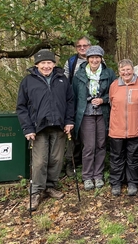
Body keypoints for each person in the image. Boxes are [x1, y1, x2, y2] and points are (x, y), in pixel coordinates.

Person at [16, 50, 75, 211]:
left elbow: (70, 101)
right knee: (40, 161)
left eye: (49, 63)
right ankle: (36, 191)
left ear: (54, 64)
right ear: (37, 65)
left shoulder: (62, 79)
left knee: (56, 160)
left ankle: (50, 186)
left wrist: (69, 121)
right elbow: (21, 107)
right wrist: (27, 128)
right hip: (38, 128)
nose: (46, 66)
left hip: (59, 126)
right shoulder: (28, 81)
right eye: (43, 63)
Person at [72, 45, 116, 191]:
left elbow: (114, 93)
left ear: (101, 59)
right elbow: (73, 96)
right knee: (89, 146)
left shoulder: (109, 73)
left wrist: (103, 100)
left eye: (97, 57)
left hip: (103, 113)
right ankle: (87, 176)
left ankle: (98, 175)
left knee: (101, 145)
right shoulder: (79, 75)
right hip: (86, 114)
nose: (95, 60)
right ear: (87, 59)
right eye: (92, 57)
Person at [109, 59, 138, 196]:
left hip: (136, 128)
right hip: (117, 129)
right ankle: (116, 183)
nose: (126, 72)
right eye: (122, 70)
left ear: (133, 70)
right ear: (119, 72)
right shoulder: (114, 85)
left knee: (133, 158)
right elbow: (111, 103)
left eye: (128, 69)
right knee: (116, 158)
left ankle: (133, 182)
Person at [63, 36, 91, 177]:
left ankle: (85, 163)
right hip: (74, 102)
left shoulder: (97, 59)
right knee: (74, 133)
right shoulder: (71, 62)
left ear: (89, 46)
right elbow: (64, 81)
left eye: (85, 45)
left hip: (92, 104)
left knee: (88, 135)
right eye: (79, 46)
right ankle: (71, 163)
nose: (82, 48)